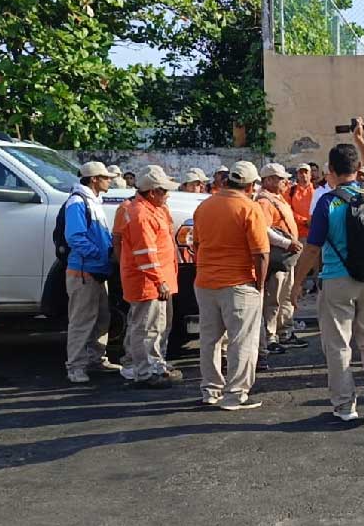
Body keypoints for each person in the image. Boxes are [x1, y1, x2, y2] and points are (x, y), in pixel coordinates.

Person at [289, 119, 364, 422]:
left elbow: (312, 248)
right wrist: (360, 138)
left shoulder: (327, 203)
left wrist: (296, 285)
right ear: (355, 168)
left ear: (330, 172)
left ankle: (346, 405)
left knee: (338, 344)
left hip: (336, 280)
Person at [191, 160, 270, 410]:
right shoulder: (249, 207)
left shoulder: (204, 206)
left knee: (210, 339)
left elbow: (197, 244)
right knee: (242, 340)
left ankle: (210, 389)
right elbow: (260, 253)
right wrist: (261, 283)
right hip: (238, 281)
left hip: (205, 281)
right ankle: (235, 394)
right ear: (250, 185)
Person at [121, 168, 183, 388]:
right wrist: (159, 281)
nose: (168, 195)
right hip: (148, 282)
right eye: (165, 191)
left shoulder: (151, 209)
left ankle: (154, 365)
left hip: (156, 280)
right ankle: (144, 371)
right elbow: (145, 253)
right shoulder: (141, 214)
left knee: (155, 327)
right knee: (146, 328)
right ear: (153, 192)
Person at [63, 162, 119, 384]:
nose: (109, 180)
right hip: (85, 272)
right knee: (82, 321)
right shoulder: (78, 202)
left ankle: (96, 359)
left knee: (100, 319)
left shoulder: (90, 201)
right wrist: (100, 254)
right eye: (105, 177)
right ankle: (75, 366)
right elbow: (75, 237)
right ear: (94, 179)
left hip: (93, 271)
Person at [256, 163, 306, 359]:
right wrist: (287, 243)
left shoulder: (276, 199)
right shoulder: (264, 202)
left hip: (286, 257)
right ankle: (271, 336)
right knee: (273, 298)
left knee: (284, 296)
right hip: (278, 257)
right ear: (268, 180)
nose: (285, 181)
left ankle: (283, 331)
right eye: (280, 178)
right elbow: (264, 230)